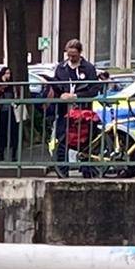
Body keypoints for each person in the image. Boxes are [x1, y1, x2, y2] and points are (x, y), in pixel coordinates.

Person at [46, 39, 99, 177]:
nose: (71, 58)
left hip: (83, 110)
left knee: (86, 141)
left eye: (74, 55)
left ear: (80, 53)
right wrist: (58, 92)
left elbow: (94, 89)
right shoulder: (61, 68)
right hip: (64, 111)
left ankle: (88, 171)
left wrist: (76, 96)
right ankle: (62, 171)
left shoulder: (88, 68)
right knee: (62, 140)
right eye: (68, 55)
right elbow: (58, 85)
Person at [0, 66, 22, 162]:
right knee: (2, 133)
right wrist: (2, 86)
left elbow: (18, 96)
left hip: (13, 111)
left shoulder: (13, 86)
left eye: (9, 73)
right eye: (6, 73)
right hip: (3, 110)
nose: (8, 75)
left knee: (14, 133)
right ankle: (1, 153)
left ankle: (14, 155)